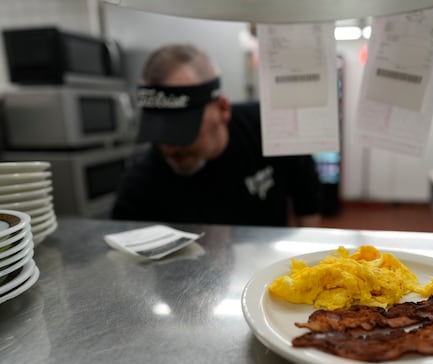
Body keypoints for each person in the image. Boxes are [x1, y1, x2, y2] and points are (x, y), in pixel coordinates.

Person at [112, 44, 322, 227]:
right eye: (160, 134)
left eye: (181, 132)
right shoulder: (143, 178)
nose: (169, 148)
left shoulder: (267, 128)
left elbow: (306, 191)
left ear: (222, 109)